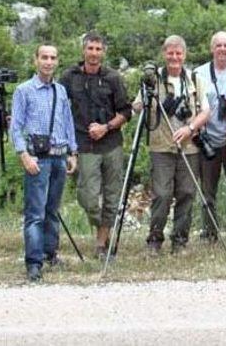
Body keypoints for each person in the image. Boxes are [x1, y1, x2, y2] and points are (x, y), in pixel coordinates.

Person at [133, 35, 210, 254]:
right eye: (170, 53)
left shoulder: (194, 79)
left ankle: (180, 241)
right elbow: (137, 106)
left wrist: (191, 128)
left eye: (178, 53)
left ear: (184, 55)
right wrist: (146, 99)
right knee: (162, 194)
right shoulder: (153, 79)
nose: (174, 57)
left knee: (187, 193)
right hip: (161, 147)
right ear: (164, 54)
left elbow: (206, 111)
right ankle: (155, 240)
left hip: (189, 146)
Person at [60, 33, 132, 259]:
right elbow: (58, 106)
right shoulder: (69, 77)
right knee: (88, 198)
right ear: (83, 50)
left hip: (111, 144)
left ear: (104, 52)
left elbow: (126, 112)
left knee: (112, 196)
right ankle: (104, 228)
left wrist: (106, 127)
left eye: (98, 49)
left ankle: (102, 244)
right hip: (84, 144)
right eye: (90, 48)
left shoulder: (113, 78)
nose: (94, 53)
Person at [10, 44, 78, 282]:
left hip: (59, 156)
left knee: (52, 210)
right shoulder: (24, 91)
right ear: (36, 60)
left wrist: (73, 152)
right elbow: (16, 126)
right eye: (44, 57)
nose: (48, 62)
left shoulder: (60, 91)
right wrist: (23, 154)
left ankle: (50, 253)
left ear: (57, 62)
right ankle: (34, 263)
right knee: (35, 213)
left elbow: (68, 122)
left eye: (53, 58)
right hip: (37, 159)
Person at [194, 31, 226, 242]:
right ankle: (210, 232)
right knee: (208, 191)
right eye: (218, 45)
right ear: (211, 48)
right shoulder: (198, 73)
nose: (222, 49)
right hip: (208, 140)